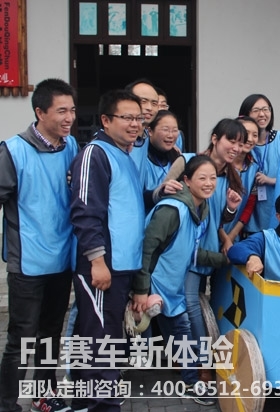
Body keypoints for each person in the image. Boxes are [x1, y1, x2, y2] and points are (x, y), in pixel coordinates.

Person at [132, 155, 239, 406]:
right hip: (153, 284)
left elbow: (192, 253)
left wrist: (226, 259)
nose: (209, 183)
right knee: (137, 339)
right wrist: (140, 290)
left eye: (212, 178)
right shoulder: (173, 209)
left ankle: (191, 382)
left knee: (178, 333)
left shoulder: (200, 208)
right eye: (202, 178)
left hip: (170, 287)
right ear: (187, 180)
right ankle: (95, 382)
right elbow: (147, 249)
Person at [0, 78, 78, 412]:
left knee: (50, 334)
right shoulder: (12, 151)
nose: (69, 117)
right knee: (21, 338)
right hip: (27, 263)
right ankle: (7, 404)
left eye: (72, 110)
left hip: (61, 260)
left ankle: (44, 395)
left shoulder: (71, 147)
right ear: (40, 112)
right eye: (61, 111)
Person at [69, 89, 146, 411]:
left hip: (121, 265)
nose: (135, 124)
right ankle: (101, 405)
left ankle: (83, 402)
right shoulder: (95, 154)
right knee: (101, 342)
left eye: (139, 118)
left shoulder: (123, 154)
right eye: (127, 117)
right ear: (105, 120)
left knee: (99, 336)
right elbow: (86, 212)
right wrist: (96, 261)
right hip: (103, 266)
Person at [238, 94, 280, 231]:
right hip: (245, 219)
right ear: (246, 114)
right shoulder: (240, 145)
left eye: (265, 109)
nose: (262, 114)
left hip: (278, 214)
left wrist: (271, 180)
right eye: (256, 110)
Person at [220, 116, 260, 248]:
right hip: (211, 232)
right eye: (246, 133)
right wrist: (225, 239)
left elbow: (249, 206)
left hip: (235, 236)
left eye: (255, 135)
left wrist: (231, 237)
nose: (250, 139)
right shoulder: (220, 165)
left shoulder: (254, 168)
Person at [143, 110, 190, 210]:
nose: (170, 135)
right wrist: (161, 192)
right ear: (150, 131)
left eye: (174, 130)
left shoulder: (178, 158)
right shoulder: (140, 159)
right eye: (165, 130)